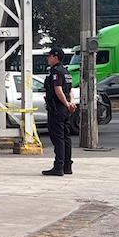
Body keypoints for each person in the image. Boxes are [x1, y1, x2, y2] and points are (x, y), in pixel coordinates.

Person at [42, 47, 76, 176]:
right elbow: (70, 90)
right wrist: (70, 103)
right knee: (66, 137)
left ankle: (58, 167)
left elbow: (58, 90)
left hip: (57, 109)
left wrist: (66, 103)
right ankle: (67, 166)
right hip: (65, 109)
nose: (47, 58)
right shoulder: (66, 72)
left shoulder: (56, 72)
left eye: (49, 56)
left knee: (58, 139)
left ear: (55, 57)